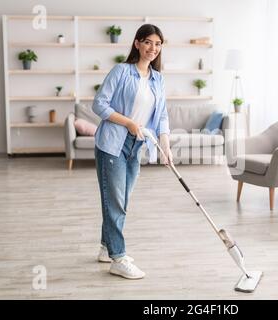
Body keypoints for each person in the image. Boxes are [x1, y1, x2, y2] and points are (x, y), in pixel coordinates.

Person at [92, 24, 173, 279]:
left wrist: (165, 146)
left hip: (137, 145)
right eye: (148, 42)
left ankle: (106, 247)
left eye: (158, 44)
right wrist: (128, 122)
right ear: (137, 43)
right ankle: (118, 257)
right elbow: (99, 104)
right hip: (113, 144)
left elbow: (161, 116)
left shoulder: (158, 79)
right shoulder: (121, 71)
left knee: (122, 200)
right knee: (115, 201)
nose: (153, 48)